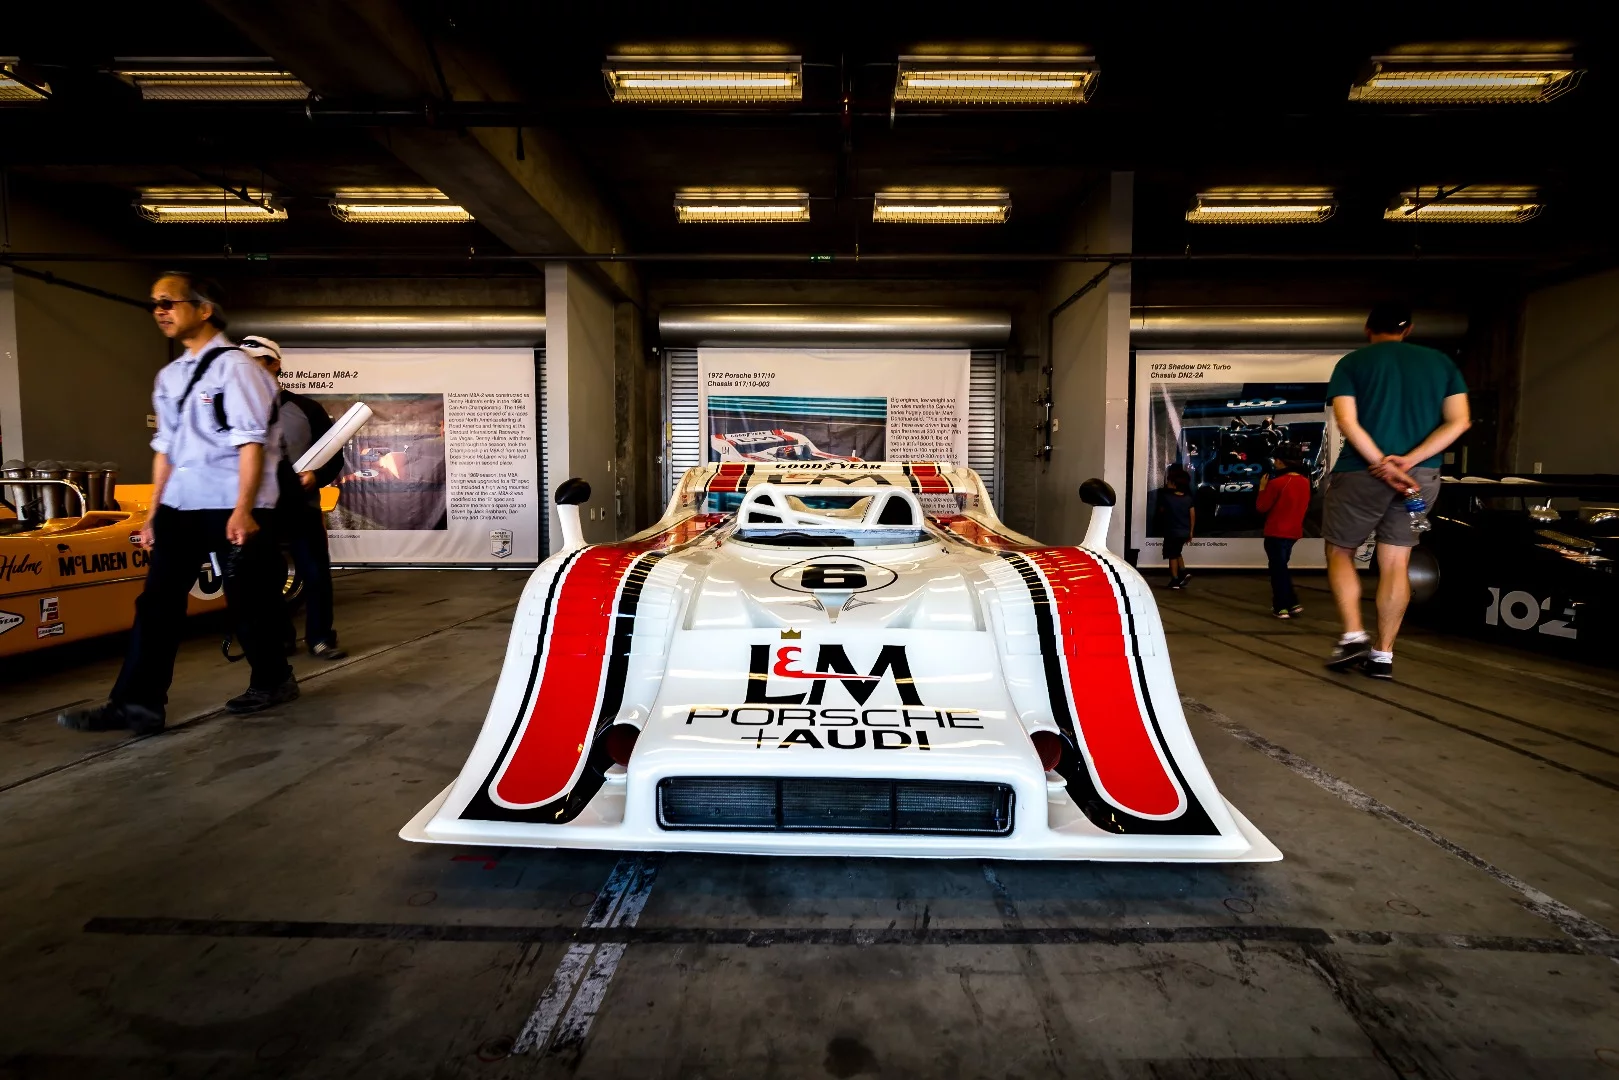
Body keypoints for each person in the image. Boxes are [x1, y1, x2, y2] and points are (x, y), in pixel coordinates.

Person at [59, 274, 297, 736]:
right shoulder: (169, 377)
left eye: (169, 302)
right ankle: (138, 704)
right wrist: (152, 515)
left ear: (204, 308)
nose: (160, 312)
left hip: (232, 501)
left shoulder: (239, 369)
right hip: (180, 505)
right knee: (158, 604)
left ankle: (274, 678)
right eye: (154, 305)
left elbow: (251, 443)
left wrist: (243, 509)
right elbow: (165, 449)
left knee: (247, 600)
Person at [1322, 303, 1470, 679]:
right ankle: (1383, 655)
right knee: (1396, 562)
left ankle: (1354, 633)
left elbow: (1347, 421)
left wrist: (1380, 463)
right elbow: (1459, 422)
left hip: (1360, 473)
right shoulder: (1441, 364)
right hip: (1421, 477)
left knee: (1340, 551)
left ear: (1367, 328)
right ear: (1409, 329)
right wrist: (1407, 462)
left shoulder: (1353, 363)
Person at [240, 336, 347, 661]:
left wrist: (316, 476)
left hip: (301, 507)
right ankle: (279, 640)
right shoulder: (236, 411)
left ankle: (320, 638)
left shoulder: (307, 409)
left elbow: (334, 456)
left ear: (274, 364)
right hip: (259, 511)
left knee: (314, 573)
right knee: (265, 578)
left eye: (255, 362)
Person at [1255, 448, 1310, 618]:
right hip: (1293, 532)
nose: (1274, 463)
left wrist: (1262, 488)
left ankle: (1282, 607)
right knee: (1281, 568)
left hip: (1276, 532)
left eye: (1276, 460)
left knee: (1278, 571)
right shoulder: (1305, 482)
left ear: (1281, 461)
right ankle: (1292, 603)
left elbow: (1261, 507)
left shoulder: (1277, 483)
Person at [1158, 463, 1195, 589]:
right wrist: (1191, 532)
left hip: (1171, 532)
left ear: (1174, 484)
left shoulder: (1167, 497)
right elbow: (1192, 516)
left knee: (1172, 555)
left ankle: (1174, 579)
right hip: (1184, 532)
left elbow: (1162, 511)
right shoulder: (1188, 499)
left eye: (1169, 481)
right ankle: (1183, 572)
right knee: (1177, 551)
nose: (1167, 483)